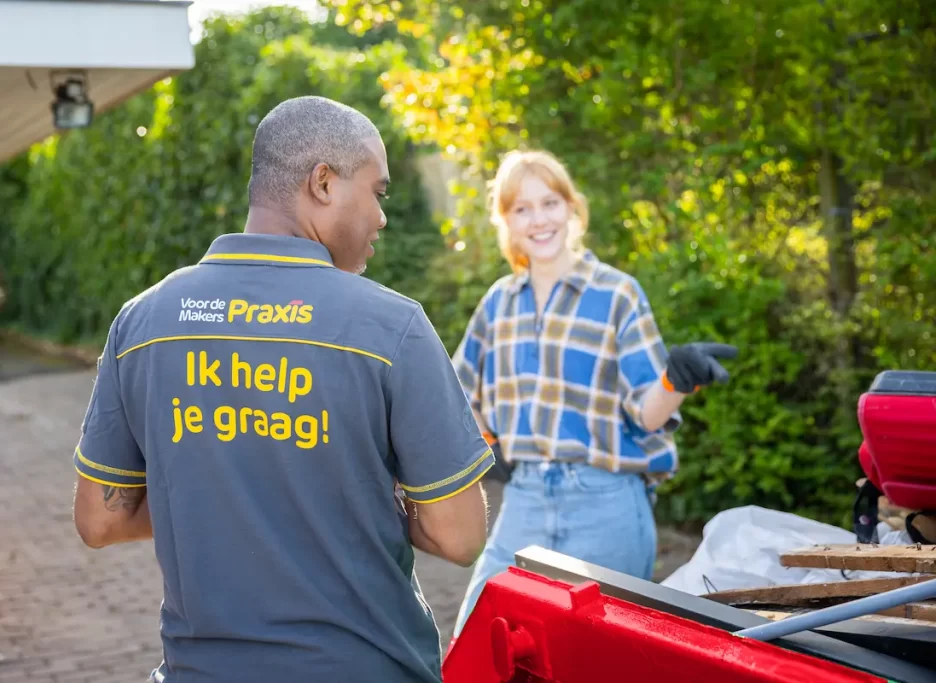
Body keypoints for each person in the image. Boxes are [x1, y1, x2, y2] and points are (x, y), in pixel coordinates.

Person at [70, 95, 495, 683]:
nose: (383, 217)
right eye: (378, 191)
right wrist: (352, 499)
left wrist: (206, 493)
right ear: (323, 181)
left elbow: (100, 520)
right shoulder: (389, 328)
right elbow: (460, 535)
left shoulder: (142, 323)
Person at [449, 149, 736, 639]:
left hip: (607, 503)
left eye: (549, 203)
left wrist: (676, 381)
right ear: (507, 223)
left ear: (571, 208)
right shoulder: (499, 302)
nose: (539, 219)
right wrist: (486, 439)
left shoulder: (617, 293)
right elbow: (455, 392)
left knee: (598, 660)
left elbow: (648, 414)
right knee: (476, 641)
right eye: (522, 208)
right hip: (525, 497)